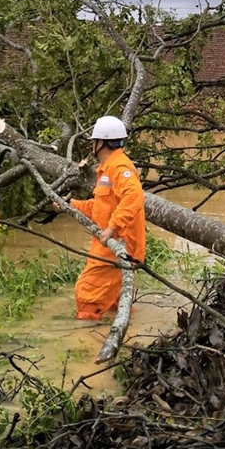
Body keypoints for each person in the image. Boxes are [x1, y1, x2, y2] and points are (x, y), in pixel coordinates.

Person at [67, 115, 146, 320]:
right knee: (114, 305)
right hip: (111, 244)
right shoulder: (107, 169)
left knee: (86, 297)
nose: (92, 145)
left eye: (93, 141)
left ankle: (86, 342)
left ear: (101, 142)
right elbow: (102, 206)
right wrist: (72, 205)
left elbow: (133, 196)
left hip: (116, 247)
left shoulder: (119, 167)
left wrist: (111, 228)